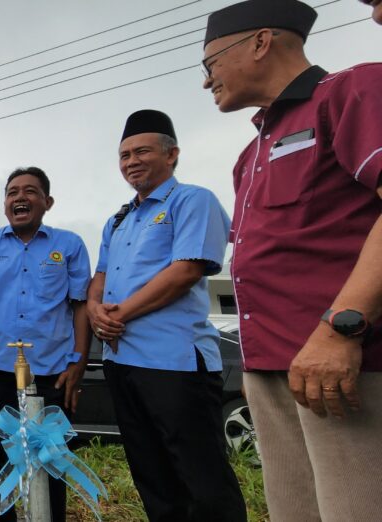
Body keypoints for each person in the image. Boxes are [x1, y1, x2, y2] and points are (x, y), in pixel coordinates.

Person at [202, 2, 382, 519]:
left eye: (211, 63)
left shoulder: (352, 91)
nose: (207, 81)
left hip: (346, 364)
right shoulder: (249, 155)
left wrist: (341, 330)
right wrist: (256, 367)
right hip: (273, 371)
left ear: (261, 42)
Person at [87, 110, 245, 521]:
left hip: (175, 363)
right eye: (124, 155)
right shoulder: (118, 219)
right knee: (152, 477)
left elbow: (186, 271)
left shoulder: (192, 200)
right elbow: (99, 276)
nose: (131, 162)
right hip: (122, 361)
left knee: (202, 478)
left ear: (172, 154)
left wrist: (117, 314)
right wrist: (94, 310)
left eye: (142, 151)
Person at [0, 167, 91, 522]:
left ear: (47, 202)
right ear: (5, 203)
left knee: (50, 459)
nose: (20, 197)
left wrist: (78, 361)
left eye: (30, 191)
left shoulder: (69, 245)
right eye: (12, 192)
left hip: (52, 373)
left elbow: (81, 306)